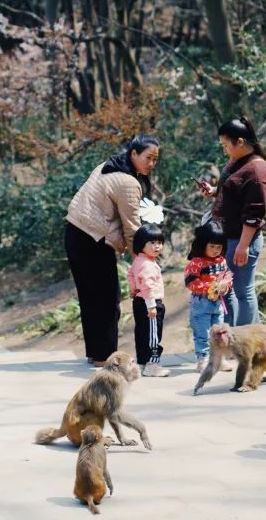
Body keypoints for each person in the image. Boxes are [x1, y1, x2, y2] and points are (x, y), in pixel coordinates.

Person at [65, 134, 160, 365]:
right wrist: (143, 263)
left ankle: (95, 353)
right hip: (92, 240)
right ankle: (104, 356)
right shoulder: (128, 183)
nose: (151, 164)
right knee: (108, 299)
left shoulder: (107, 166)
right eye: (148, 157)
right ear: (133, 154)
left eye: (155, 159)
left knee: (91, 298)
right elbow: (132, 229)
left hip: (74, 234)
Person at [199, 117, 266, 327]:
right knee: (229, 290)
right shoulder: (237, 161)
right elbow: (232, 192)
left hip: (240, 240)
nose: (224, 151)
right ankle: (239, 337)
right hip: (227, 237)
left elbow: (254, 213)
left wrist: (243, 245)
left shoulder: (257, 172)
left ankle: (246, 341)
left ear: (239, 141)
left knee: (243, 292)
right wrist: (214, 192)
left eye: (225, 145)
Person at [183, 220, 234, 374]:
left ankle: (219, 359)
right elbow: (190, 282)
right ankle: (203, 359)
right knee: (202, 333)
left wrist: (225, 286)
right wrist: (209, 288)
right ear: (203, 244)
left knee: (219, 332)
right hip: (201, 303)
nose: (215, 250)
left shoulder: (222, 261)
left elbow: (228, 277)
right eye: (212, 246)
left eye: (219, 247)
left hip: (217, 303)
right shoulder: (196, 262)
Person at [127, 224, 170, 377]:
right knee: (153, 335)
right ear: (141, 244)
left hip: (140, 300)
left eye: (159, 242)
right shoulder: (148, 264)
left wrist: (133, 290)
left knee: (142, 333)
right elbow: (148, 286)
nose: (157, 246)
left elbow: (130, 274)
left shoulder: (139, 260)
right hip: (150, 304)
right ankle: (152, 364)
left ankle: (142, 363)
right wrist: (151, 306)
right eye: (152, 243)